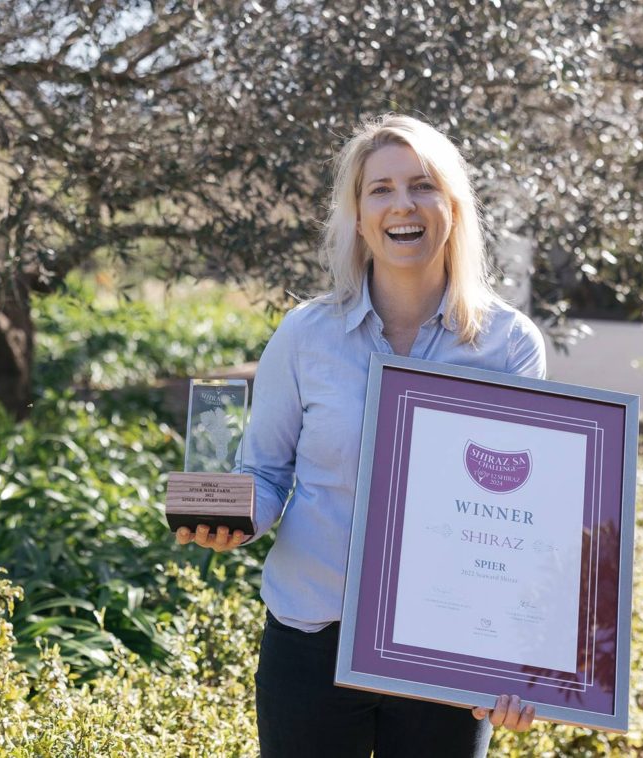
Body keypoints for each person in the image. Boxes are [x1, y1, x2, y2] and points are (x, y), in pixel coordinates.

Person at [177, 113, 544, 757]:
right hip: (311, 637)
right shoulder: (305, 335)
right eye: (381, 189)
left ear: (453, 206)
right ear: (357, 214)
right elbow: (265, 470)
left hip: (444, 647)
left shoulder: (508, 345)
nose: (403, 205)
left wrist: (520, 656)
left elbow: (526, 518)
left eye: (423, 185)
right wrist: (231, 519)